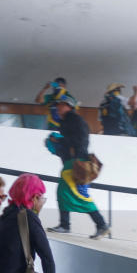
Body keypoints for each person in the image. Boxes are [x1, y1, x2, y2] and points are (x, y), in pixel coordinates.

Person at [46, 94, 110, 239]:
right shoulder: (67, 121)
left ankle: (97, 224)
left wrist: (61, 140)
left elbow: (81, 140)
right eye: (57, 105)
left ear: (69, 106)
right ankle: (69, 225)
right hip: (73, 161)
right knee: (68, 193)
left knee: (74, 194)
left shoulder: (74, 119)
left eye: (61, 105)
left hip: (75, 162)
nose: (57, 108)